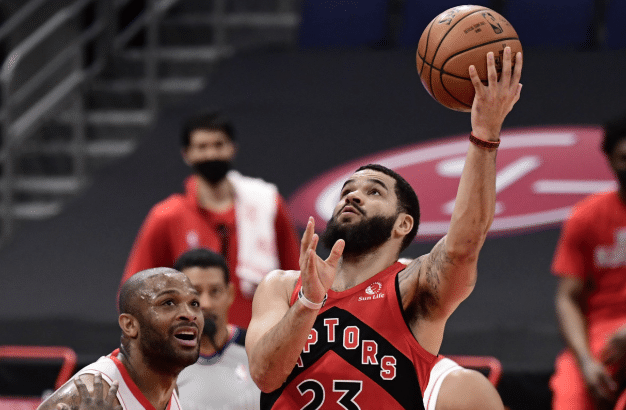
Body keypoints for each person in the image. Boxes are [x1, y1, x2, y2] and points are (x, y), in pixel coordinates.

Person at [245, 47, 522, 409]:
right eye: (347, 191)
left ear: (403, 224)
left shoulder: (413, 288)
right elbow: (264, 375)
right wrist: (308, 302)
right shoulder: (282, 287)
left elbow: (463, 245)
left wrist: (485, 135)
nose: (353, 196)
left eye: (373, 191)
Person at [120, 110, 301, 328]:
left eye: (218, 145)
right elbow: (135, 290)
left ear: (232, 148)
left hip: (260, 336)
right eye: (202, 147)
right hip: (190, 339)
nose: (211, 154)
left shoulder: (267, 206)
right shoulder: (167, 215)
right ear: (186, 153)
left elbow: (295, 277)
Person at [38, 267, 203, 410]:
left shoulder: (169, 389)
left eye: (194, 304)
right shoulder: (91, 394)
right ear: (130, 325)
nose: (189, 315)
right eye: (168, 303)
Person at [550, 115, 626, 410]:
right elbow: (567, 297)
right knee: (571, 398)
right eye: (624, 158)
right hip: (602, 338)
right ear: (610, 161)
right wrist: (585, 361)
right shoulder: (586, 217)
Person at [174, 248, 261, 410]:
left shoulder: (259, 350)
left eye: (215, 291)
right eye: (195, 292)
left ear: (230, 294)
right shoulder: (159, 363)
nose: (205, 304)